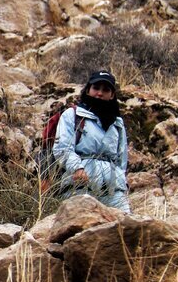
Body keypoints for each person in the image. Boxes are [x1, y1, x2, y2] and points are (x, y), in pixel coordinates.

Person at [53, 70, 130, 212]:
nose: (100, 93)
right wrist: (77, 168)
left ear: (112, 95)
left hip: (113, 189)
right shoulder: (72, 115)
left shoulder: (117, 124)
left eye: (105, 90)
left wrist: (121, 180)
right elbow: (62, 148)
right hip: (79, 185)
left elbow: (122, 158)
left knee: (124, 227)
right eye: (96, 88)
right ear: (88, 90)